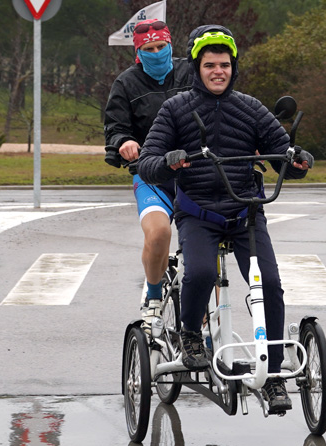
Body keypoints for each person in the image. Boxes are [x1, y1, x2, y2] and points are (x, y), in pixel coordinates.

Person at [137, 25, 313, 415]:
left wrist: (297, 160)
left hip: (246, 212)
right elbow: (147, 163)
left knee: (268, 283)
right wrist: (168, 162)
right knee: (198, 273)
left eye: (225, 65)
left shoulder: (251, 108)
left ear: (234, 67)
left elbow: (281, 153)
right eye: (210, 64)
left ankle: (273, 377)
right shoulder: (176, 109)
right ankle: (190, 337)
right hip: (198, 213)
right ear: (197, 67)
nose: (219, 71)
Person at [104, 19, 191, 335]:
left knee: (207, 247)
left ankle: (211, 315)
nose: (156, 53)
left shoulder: (192, 72)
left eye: (161, 47)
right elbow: (115, 128)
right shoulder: (126, 84)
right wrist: (123, 143)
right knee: (158, 235)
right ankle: (154, 294)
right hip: (152, 174)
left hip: (197, 173)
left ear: (171, 45)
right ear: (138, 51)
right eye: (148, 49)